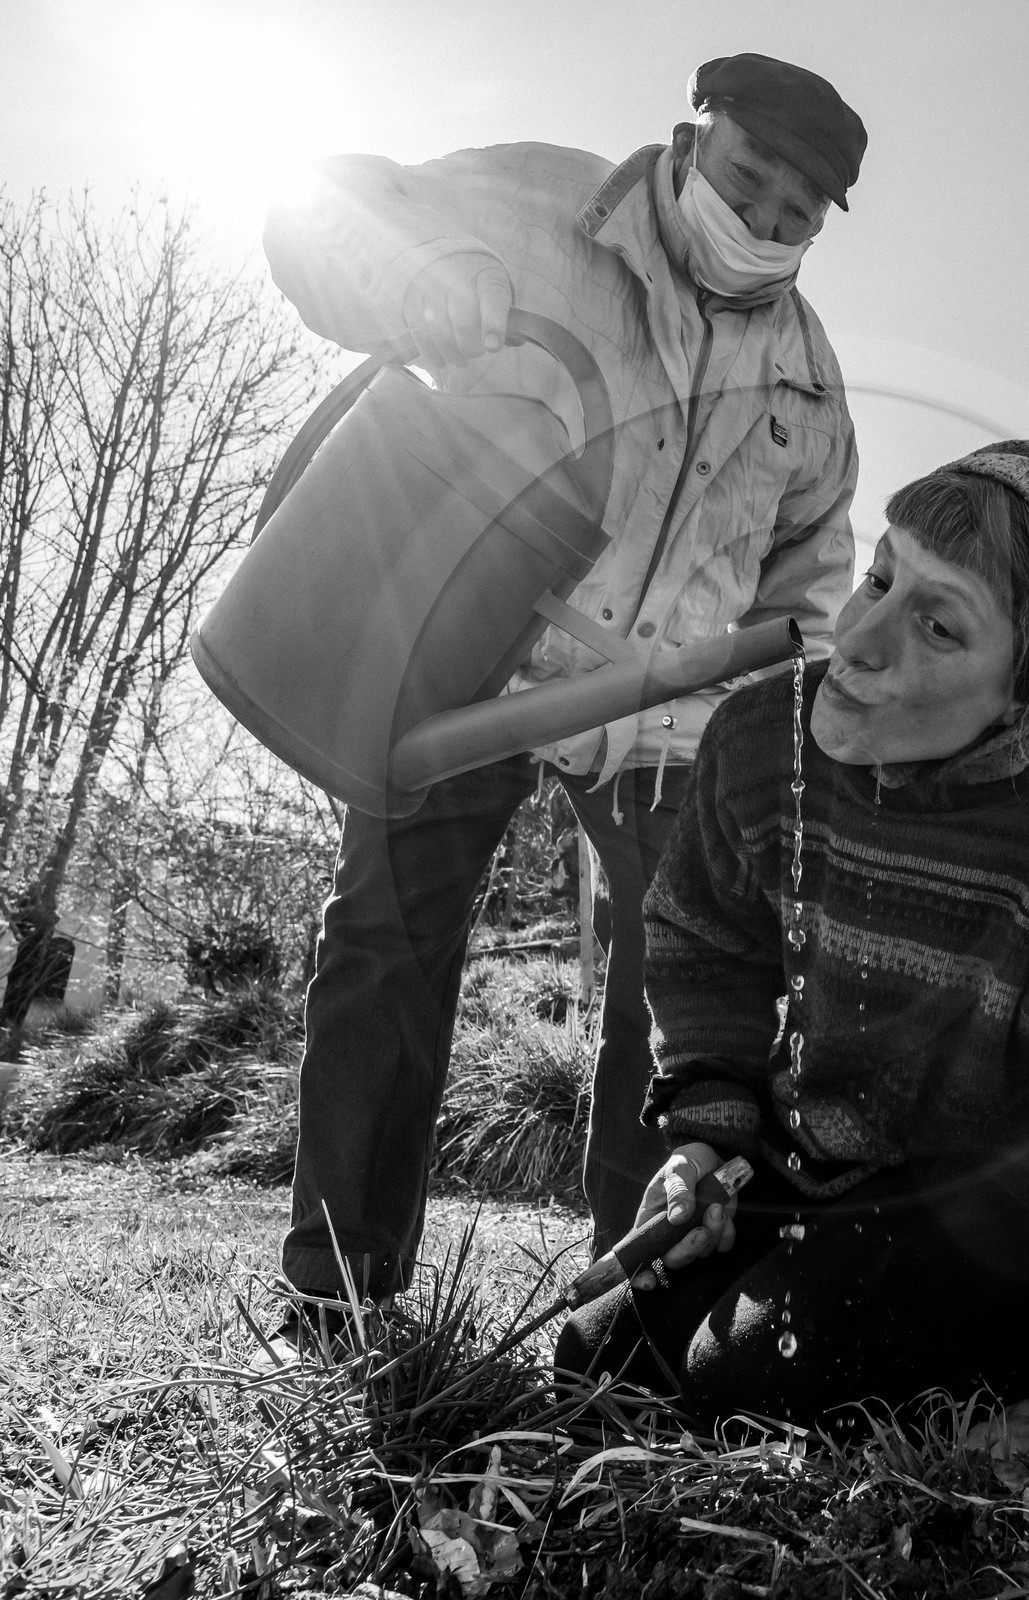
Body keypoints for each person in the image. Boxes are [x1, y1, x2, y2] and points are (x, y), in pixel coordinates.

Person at [260, 53, 867, 1305]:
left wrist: (780, 725)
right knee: (387, 933)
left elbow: (807, 583)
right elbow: (318, 213)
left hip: (665, 716)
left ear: (821, 228)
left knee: (681, 998)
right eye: (746, 178)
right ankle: (340, 1283)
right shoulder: (540, 202)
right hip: (469, 651)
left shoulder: (809, 375)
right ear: (700, 136)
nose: (758, 225)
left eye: (792, 217)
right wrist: (415, 278)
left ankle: (627, 1306)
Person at [557, 441, 1029, 1426]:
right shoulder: (760, 739)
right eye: (879, 577)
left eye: (938, 624)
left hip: (1007, 1210)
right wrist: (710, 1135)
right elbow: (707, 938)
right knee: (593, 1355)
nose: (856, 642)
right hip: (812, 1163)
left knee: (732, 1390)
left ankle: (1012, 1353)